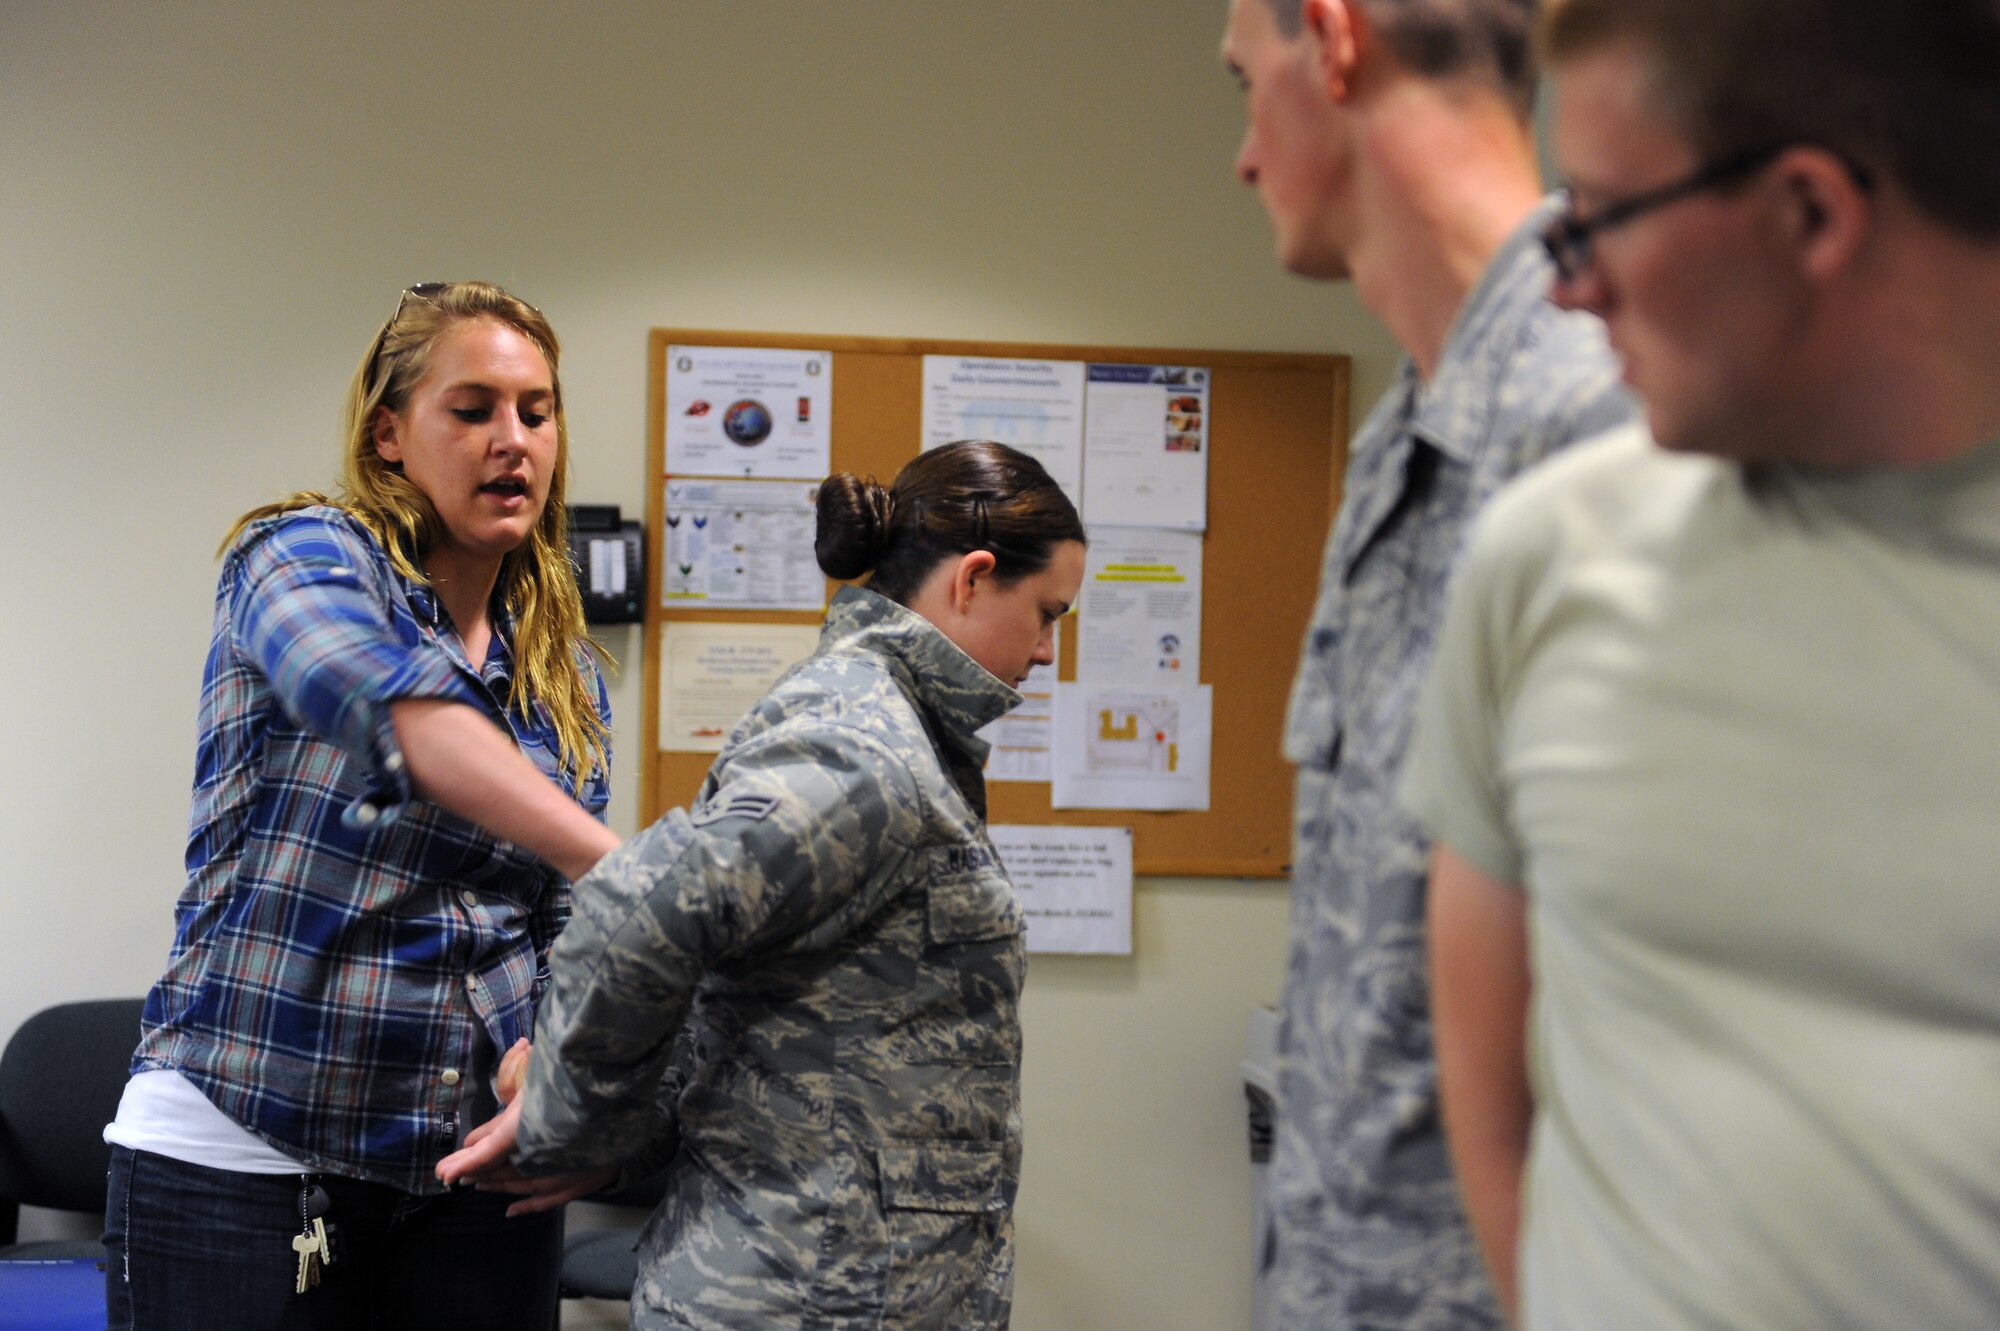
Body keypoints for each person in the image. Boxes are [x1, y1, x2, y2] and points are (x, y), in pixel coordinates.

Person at [1405, 2, 2000, 1326]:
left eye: (1596, 218)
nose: (1569, 284)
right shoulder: (1546, 556)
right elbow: (1488, 1103)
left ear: (1807, 213)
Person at [438, 440, 1087, 1331]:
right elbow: (643, 911)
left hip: (839, 1284)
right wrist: (572, 1120)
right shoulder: (863, 749)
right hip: (805, 1295)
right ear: (973, 578)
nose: (1050, 650)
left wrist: (617, 1134)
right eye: (1047, 612)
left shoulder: (899, 733)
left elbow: (737, 1000)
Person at [1218, 0, 1632, 1324]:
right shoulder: (1411, 431)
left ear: (1334, 42)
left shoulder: (1603, 413)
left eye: (1244, 82)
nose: (1240, 154)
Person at [102, 281, 622, 1331]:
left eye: (536, 409)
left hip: (470, 1172)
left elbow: (561, 925)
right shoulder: (299, 554)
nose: (510, 440)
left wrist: (556, 1062)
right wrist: (630, 864)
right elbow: (391, 706)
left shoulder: (563, 671)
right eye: (471, 409)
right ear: (389, 433)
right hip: (246, 1156)